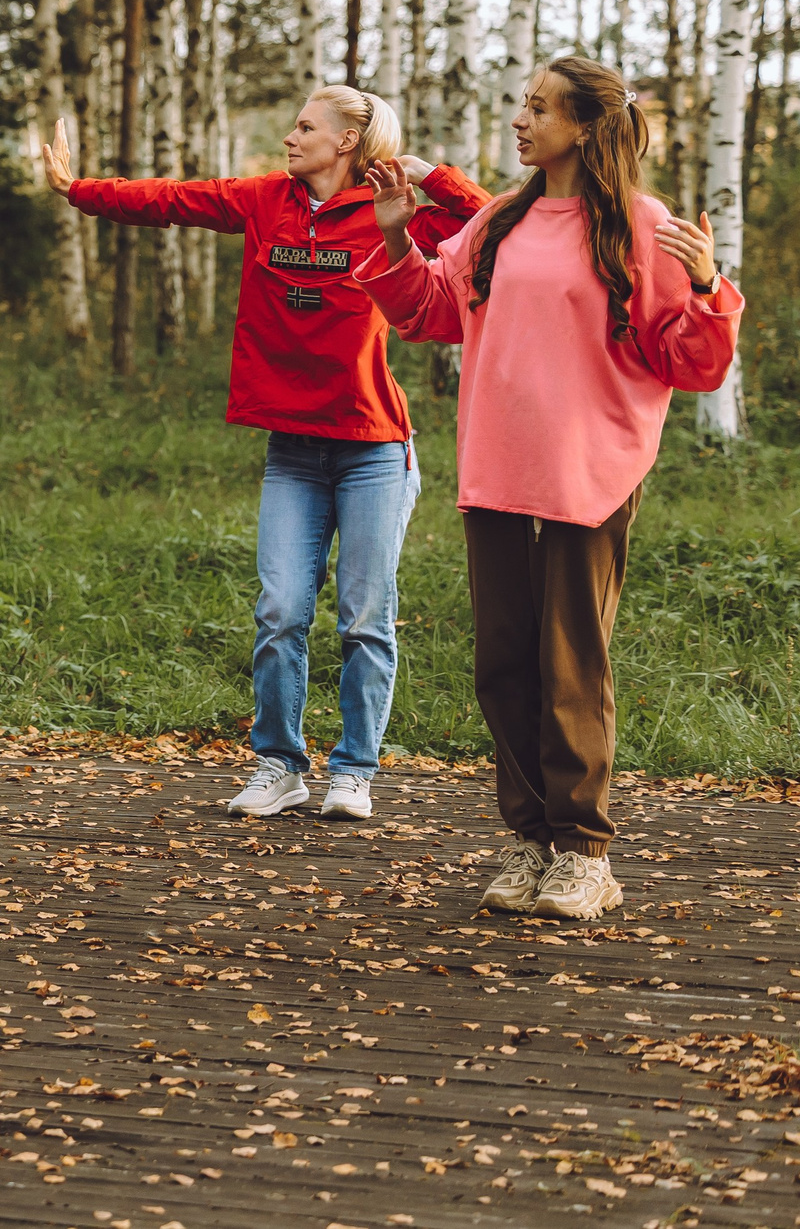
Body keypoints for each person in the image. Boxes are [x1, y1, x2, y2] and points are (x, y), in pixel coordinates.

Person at [358, 57, 740, 921]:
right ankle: (529, 840)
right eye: (522, 105)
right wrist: (393, 236)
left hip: (591, 471)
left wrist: (711, 286)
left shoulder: (642, 226)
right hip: (498, 465)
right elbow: (425, 312)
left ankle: (583, 852)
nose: (522, 120)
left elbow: (694, 362)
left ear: (586, 126)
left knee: (572, 662)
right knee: (502, 661)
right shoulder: (496, 222)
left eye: (538, 108)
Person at [42, 86, 487, 822]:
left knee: (363, 616)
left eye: (306, 127)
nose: (290, 136)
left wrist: (430, 174)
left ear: (348, 141)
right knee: (280, 610)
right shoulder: (263, 200)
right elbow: (172, 199)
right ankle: (279, 765)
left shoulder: (393, 207)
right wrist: (78, 191)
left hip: (373, 447)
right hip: (294, 449)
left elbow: (492, 225)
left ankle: (355, 771)